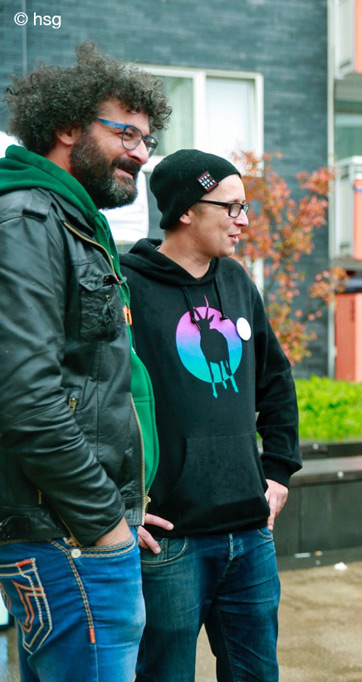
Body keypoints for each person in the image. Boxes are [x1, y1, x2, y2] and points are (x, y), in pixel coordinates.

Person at [0, 43, 167, 681]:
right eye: (125, 131)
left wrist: (124, 502)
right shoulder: (30, 219)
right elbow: (26, 398)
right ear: (67, 126)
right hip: (69, 538)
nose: (141, 154)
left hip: (77, 528)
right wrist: (105, 524)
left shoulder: (68, 221)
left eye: (147, 139)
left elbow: (90, 386)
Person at [122, 149, 302, 682]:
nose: (243, 220)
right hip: (170, 539)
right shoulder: (126, 286)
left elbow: (275, 377)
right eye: (231, 207)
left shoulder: (238, 282)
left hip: (250, 534)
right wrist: (120, 504)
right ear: (185, 210)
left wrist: (279, 469)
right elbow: (102, 402)